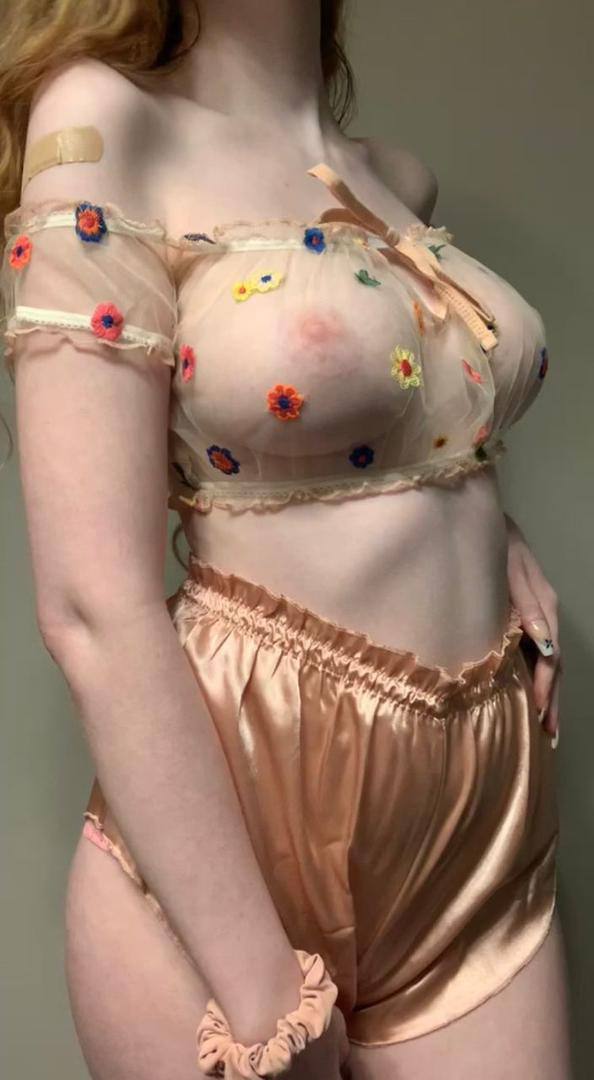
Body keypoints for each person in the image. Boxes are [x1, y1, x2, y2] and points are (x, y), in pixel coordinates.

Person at [0, 1, 572, 1078]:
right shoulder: (106, 122)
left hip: (480, 834)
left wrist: (493, 529)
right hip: (234, 840)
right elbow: (90, 606)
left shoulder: (394, 179)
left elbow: (401, 425)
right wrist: (270, 1011)